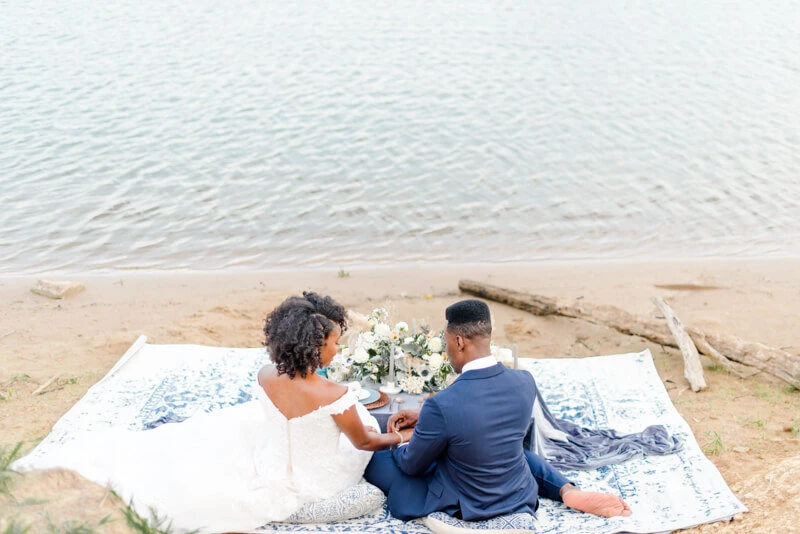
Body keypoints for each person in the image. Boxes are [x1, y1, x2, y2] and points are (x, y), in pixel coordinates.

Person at [13, 292, 408, 533]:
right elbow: (365, 441)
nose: (337, 350)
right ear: (314, 346)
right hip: (314, 481)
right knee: (371, 492)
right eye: (335, 343)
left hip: (274, 460)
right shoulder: (333, 394)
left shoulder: (267, 374)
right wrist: (399, 436)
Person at [364, 299, 632, 521]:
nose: (446, 351)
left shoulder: (442, 404)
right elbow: (484, 418)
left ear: (459, 342)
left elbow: (412, 465)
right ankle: (566, 490)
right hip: (517, 490)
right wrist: (426, 419)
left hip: (470, 500)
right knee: (510, 450)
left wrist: (403, 439)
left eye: (447, 343)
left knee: (376, 461)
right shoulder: (524, 382)